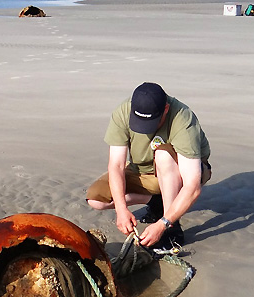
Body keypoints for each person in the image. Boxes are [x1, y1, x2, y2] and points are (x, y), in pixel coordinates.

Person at [86, 82, 212, 248]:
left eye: (151, 123)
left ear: (165, 109)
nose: (144, 129)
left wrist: (163, 224)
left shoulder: (182, 118)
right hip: (143, 171)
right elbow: (116, 165)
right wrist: (121, 210)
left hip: (181, 170)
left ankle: (173, 229)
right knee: (96, 200)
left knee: (163, 155)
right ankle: (156, 202)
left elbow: (193, 185)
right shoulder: (122, 111)